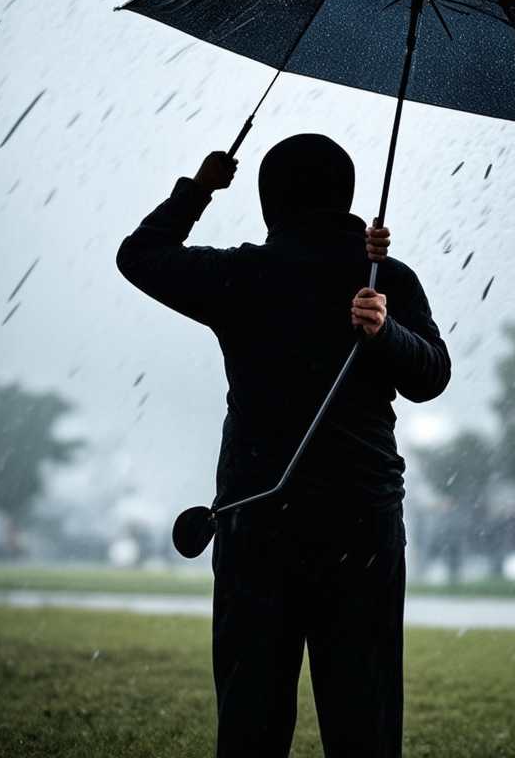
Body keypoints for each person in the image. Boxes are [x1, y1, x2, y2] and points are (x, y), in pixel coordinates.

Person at [115, 133, 450, 758]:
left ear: (269, 201)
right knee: (365, 725)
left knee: (250, 723)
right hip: (363, 528)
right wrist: (387, 332)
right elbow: (431, 376)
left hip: (255, 525)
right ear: (347, 198)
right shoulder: (386, 280)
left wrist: (201, 187)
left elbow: (139, 255)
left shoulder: (241, 275)